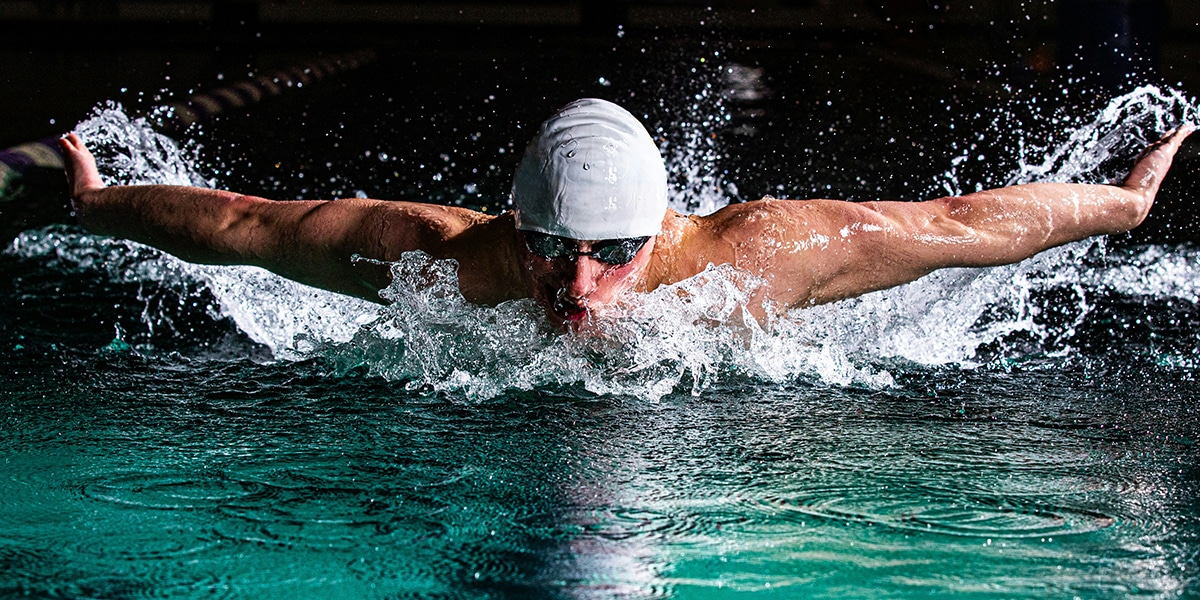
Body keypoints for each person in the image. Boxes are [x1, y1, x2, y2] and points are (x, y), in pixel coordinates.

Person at [60, 98, 1192, 328]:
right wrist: (101, 205)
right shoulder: (451, 262)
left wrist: (1122, 208)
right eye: (554, 255)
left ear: (661, 234)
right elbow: (247, 224)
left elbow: (957, 224)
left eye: (612, 257)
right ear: (517, 229)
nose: (582, 291)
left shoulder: (754, 257)